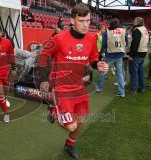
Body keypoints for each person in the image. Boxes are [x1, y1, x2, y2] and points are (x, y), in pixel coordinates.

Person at [38, 4, 109, 160]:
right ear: (72, 20)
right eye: (81, 21)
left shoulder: (92, 38)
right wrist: (43, 79)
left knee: (80, 121)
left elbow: (93, 59)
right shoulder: (59, 38)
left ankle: (69, 145)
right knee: (71, 125)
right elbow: (43, 56)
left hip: (78, 86)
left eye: (88, 21)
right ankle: (54, 111)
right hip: (60, 87)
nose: (85, 25)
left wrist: (99, 65)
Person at [96, 18, 127, 97]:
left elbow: (104, 45)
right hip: (120, 54)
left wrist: (102, 52)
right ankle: (121, 92)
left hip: (110, 54)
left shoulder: (107, 32)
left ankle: (99, 87)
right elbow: (126, 41)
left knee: (103, 71)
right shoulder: (123, 31)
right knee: (119, 73)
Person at [128, 17, 149, 94]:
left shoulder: (137, 30)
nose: (133, 21)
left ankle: (133, 89)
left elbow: (135, 44)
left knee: (134, 72)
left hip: (137, 53)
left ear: (138, 22)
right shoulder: (144, 28)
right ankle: (142, 88)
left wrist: (131, 55)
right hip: (143, 52)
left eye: (134, 20)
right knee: (141, 71)